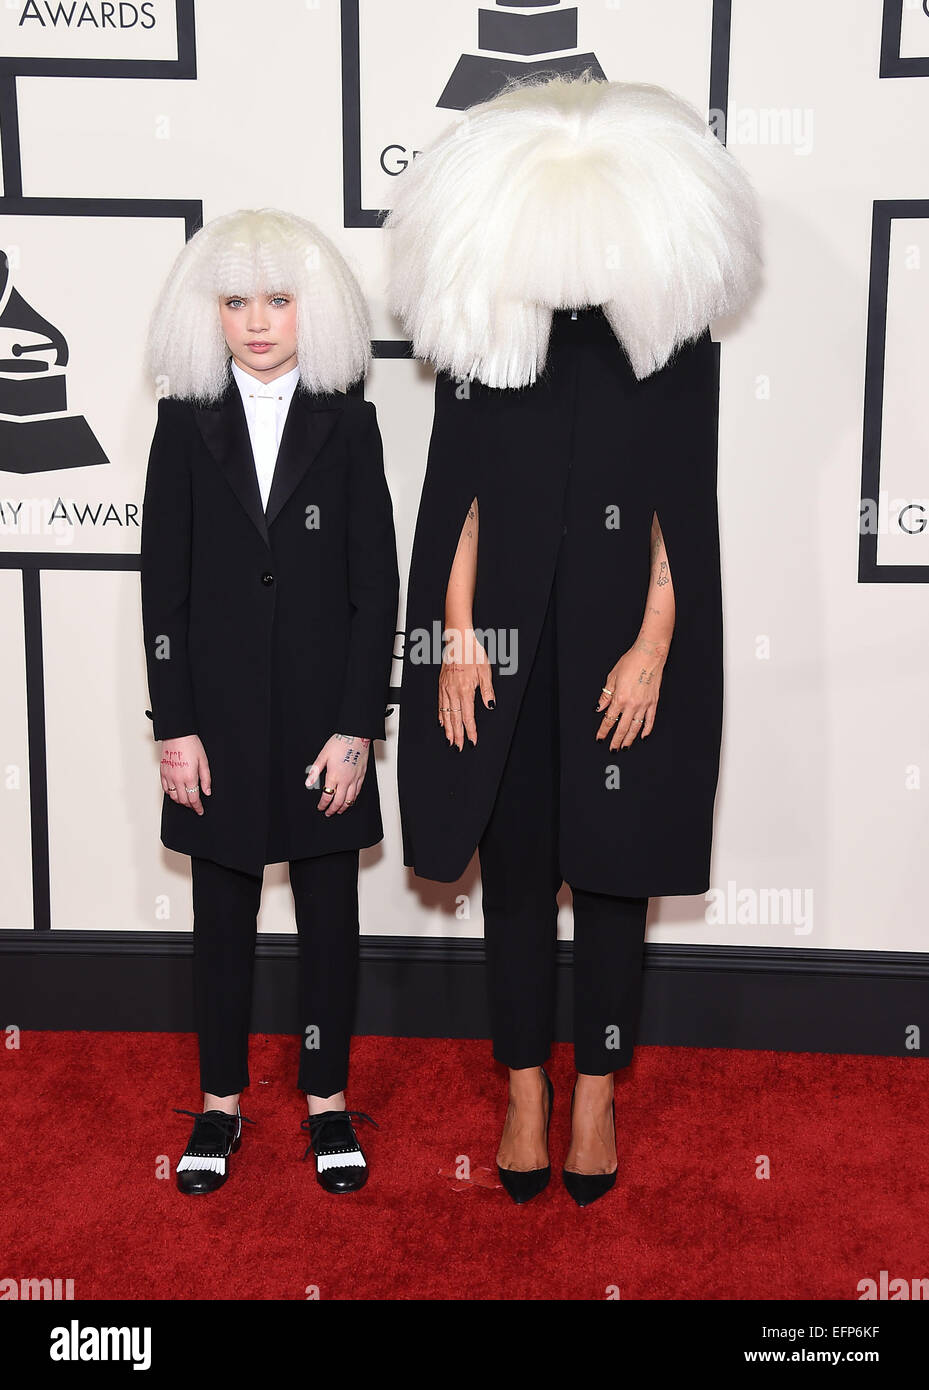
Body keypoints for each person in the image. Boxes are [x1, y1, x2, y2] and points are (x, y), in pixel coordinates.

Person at [388, 73, 762, 1206]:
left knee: (612, 880)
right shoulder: (482, 329)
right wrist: (459, 641)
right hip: (505, 642)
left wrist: (653, 645)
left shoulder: (667, 336)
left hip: (618, 650)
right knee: (510, 877)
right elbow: (453, 503)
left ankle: (593, 1095)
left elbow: (676, 515)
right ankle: (522, 1095)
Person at [140, 208, 399, 1195]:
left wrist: (354, 727)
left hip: (322, 719)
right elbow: (162, 586)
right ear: (207, 311)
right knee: (221, 918)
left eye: (278, 301)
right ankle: (219, 1104)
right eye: (236, 301)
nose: (257, 322)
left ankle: (327, 1103)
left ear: (312, 310)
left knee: (329, 918)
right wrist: (176, 726)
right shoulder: (179, 422)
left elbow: (373, 585)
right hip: (215, 723)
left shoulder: (349, 420)